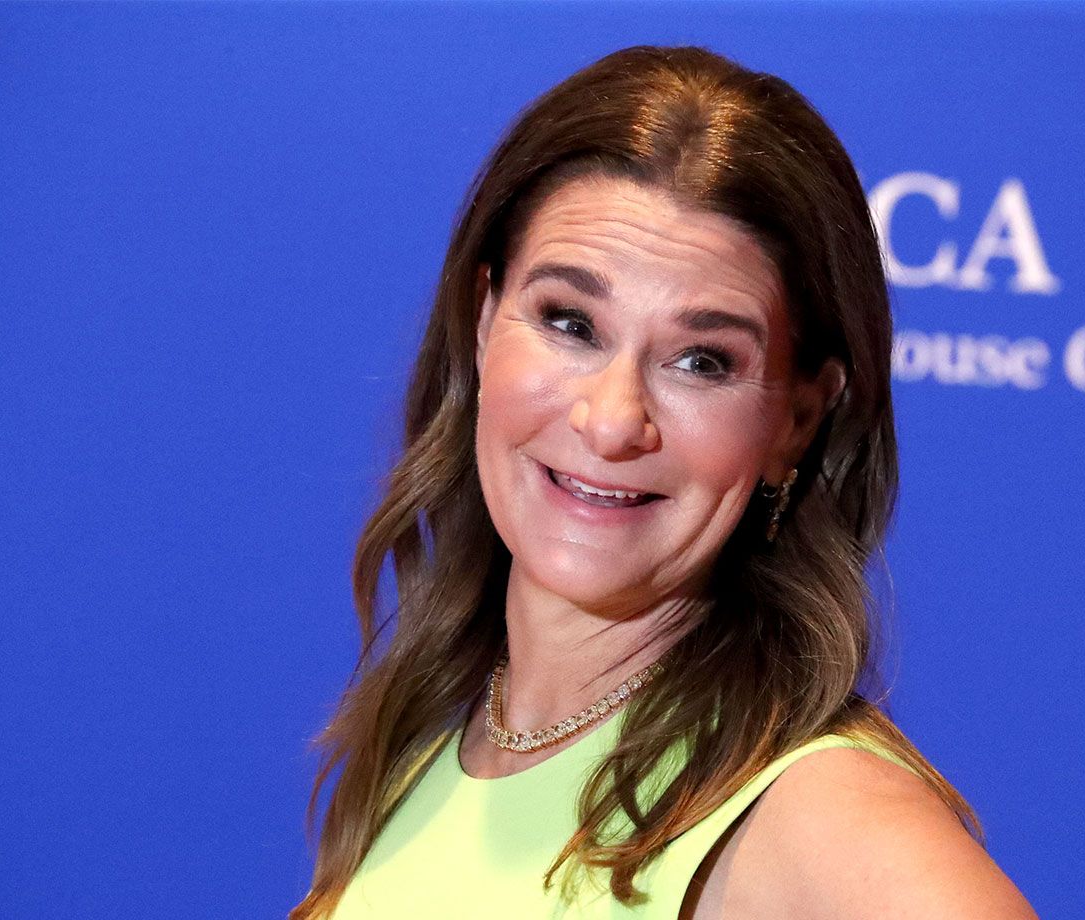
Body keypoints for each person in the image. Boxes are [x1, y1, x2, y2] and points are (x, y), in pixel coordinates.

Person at [292, 45, 1038, 920]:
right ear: (485, 320)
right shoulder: (432, 738)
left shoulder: (817, 816)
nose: (612, 421)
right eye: (571, 322)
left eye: (702, 361)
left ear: (798, 419)